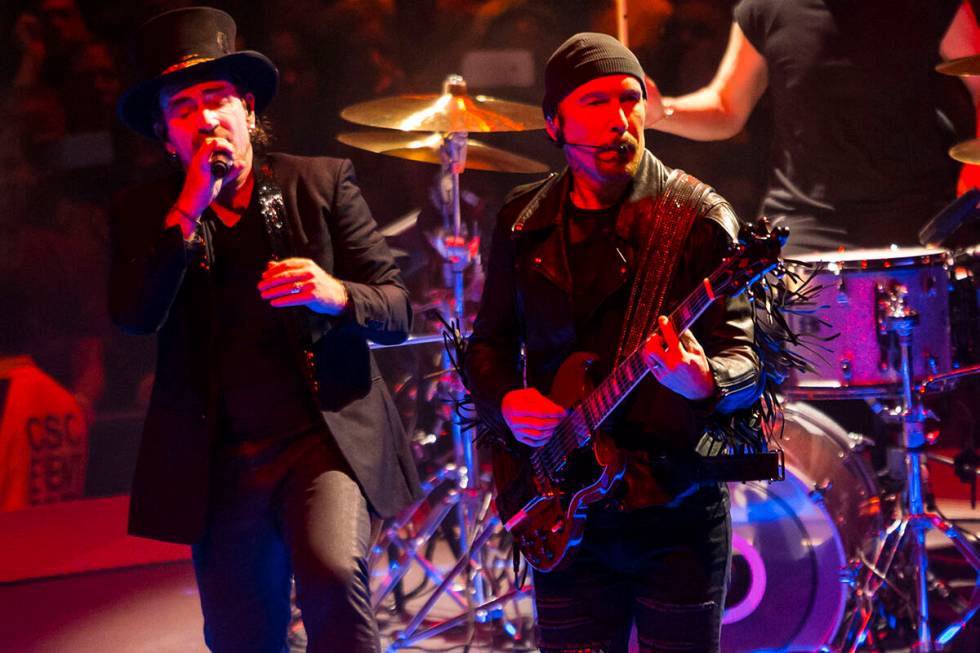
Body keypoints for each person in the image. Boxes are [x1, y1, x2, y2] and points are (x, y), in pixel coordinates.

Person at [109, 7, 420, 653]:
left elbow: (398, 310)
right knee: (241, 634)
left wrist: (337, 294)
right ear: (167, 134)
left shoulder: (321, 183)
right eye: (184, 106)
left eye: (217, 98)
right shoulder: (146, 212)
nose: (205, 118)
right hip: (218, 455)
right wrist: (188, 207)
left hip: (320, 438)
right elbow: (134, 316)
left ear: (247, 110)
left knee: (334, 575)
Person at [464, 33, 764, 653]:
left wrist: (703, 380)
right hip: (563, 503)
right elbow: (487, 345)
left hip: (673, 508)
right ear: (555, 122)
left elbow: (749, 364)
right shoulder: (522, 221)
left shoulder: (699, 218)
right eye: (595, 102)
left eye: (629, 100)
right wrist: (505, 401)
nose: (619, 119)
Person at [646, 0, 980, 252]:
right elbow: (726, 107)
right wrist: (661, 112)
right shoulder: (767, 5)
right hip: (805, 225)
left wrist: (974, 173)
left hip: (919, 222)